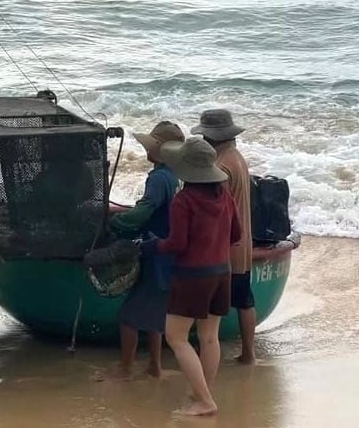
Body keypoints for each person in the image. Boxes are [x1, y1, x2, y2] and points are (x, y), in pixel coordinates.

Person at [142, 136, 241, 416]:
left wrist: (151, 246)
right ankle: (202, 393)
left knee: (176, 337)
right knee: (210, 337)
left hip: (192, 276)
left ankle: (205, 400)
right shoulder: (225, 196)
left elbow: (176, 245)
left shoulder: (183, 201)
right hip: (222, 273)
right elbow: (237, 235)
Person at [107, 121, 184, 379]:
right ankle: (155, 365)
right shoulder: (175, 177)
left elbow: (144, 210)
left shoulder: (159, 178)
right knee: (155, 313)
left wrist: (116, 223)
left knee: (128, 316)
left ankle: (126, 369)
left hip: (156, 253)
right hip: (170, 255)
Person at [191, 109, 255, 364]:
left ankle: (206, 352)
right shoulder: (237, 157)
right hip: (243, 242)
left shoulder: (221, 166)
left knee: (209, 306)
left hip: (226, 246)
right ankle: (248, 353)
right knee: (244, 299)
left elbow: (216, 208)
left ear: (211, 138)